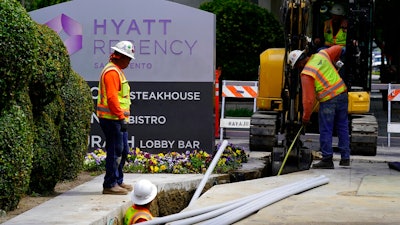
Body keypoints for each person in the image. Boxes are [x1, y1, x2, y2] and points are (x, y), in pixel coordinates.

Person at [287, 45, 351, 169]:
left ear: (299, 64)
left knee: (326, 129)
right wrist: (336, 62)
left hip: (328, 100)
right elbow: (340, 48)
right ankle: (345, 158)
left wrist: (306, 118)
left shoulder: (306, 73)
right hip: (342, 94)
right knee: (342, 126)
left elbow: (309, 100)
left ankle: (327, 159)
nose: (298, 68)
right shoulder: (322, 54)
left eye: (297, 67)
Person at [97, 41, 135, 194]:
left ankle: (117, 180)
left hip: (117, 118)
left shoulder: (117, 70)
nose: (129, 62)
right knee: (115, 150)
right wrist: (120, 117)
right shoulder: (112, 72)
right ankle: (110, 184)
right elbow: (112, 98)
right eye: (129, 58)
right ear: (121, 57)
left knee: (123, 150)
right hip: (111, 118)